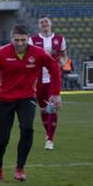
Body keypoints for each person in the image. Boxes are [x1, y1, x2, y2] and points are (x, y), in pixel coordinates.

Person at [0, 25, 62, 182]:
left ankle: (20, 168)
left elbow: (54, 68)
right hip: (4, 100)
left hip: (27, 98)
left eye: (23, 40)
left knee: (27, 129)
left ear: (28, 38)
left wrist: (56, 93)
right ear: (12, 39)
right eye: (16, 40)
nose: (20, 43)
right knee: (2, 140)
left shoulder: (37, 53)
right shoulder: (1, 53)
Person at [31, 16, 68, 150]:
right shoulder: (33, 40)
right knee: (43, 109)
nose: (44, 24)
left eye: (46, 22)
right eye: (41, 22)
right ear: (39, 25)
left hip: (53, 79)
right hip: (39, 79)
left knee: (52, 106)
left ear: (50, 23)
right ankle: (48, 134)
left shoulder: (59, 39)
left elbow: (64, 55)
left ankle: (50, 139)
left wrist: (63, 62)